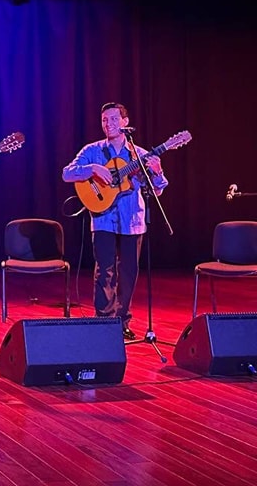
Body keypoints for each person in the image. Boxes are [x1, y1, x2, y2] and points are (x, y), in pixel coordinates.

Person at [61, 102, 167, 340]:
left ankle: (121, 321)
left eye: (113, 119)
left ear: (125, 122)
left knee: (129, 272)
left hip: (133, 220)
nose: (108, 123)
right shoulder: (93, 150)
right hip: (103, 220)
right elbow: (67, 173)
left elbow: (158, 190)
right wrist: (92, 169)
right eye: (104, 120)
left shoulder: (138, 154)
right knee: (104, 272)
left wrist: (158, 172)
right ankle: (104, 322)